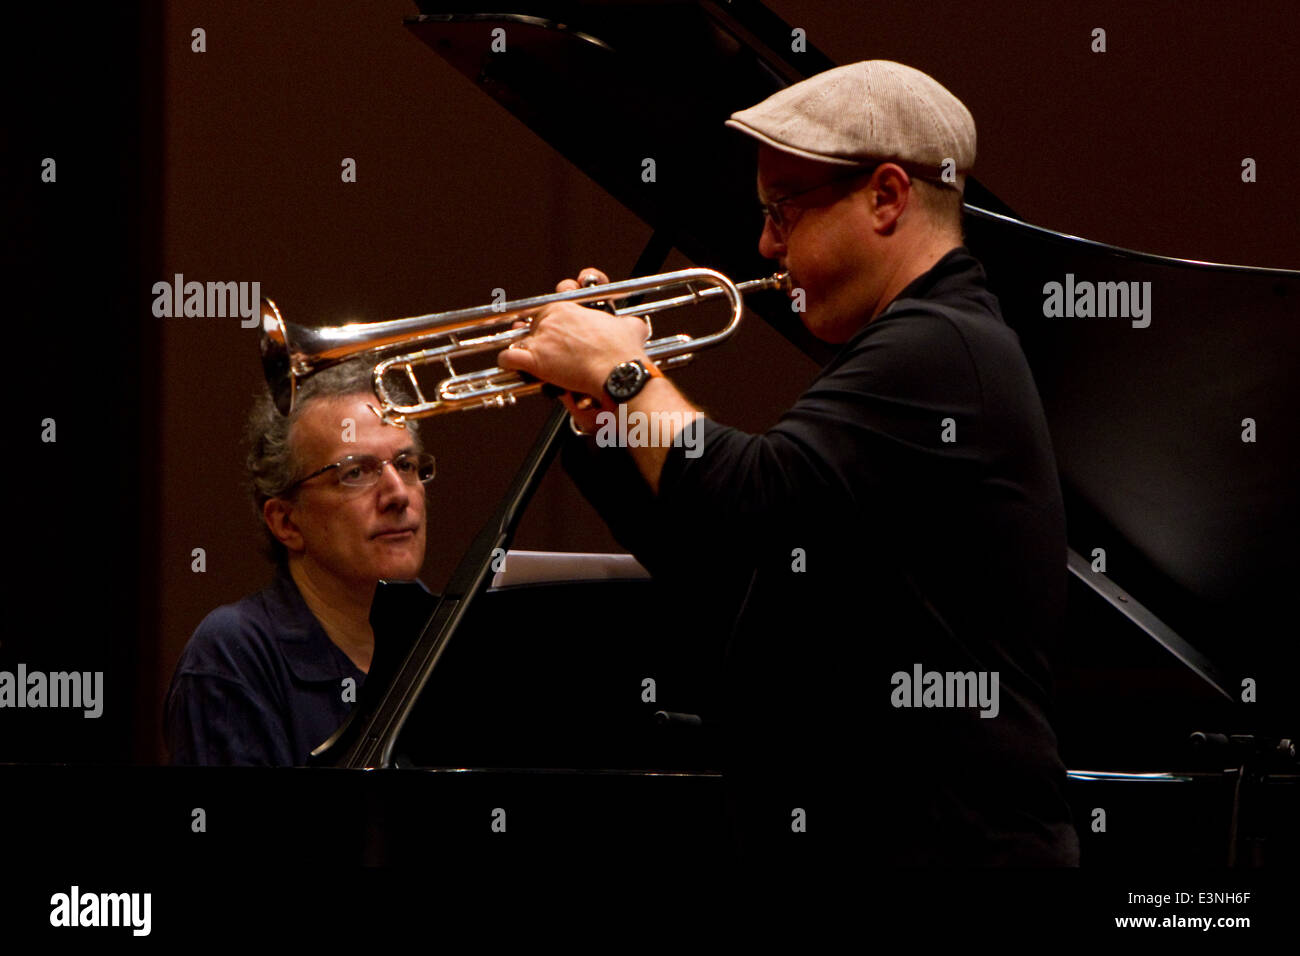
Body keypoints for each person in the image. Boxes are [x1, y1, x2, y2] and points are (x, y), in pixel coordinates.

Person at [498, 60, 1079, 866]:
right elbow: (727, 554)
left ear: (886, 197)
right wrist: (599, 421)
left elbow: (752, 494)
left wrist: (624, 376)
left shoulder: (942, 345)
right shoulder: (911, 348)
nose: (766, 242)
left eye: (784, 209)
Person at [164, 361, 433, 766]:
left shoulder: (456, 635)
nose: (398, 494)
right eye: (356, 472)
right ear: (287, 522)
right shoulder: (231, 655)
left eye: (407, 465)